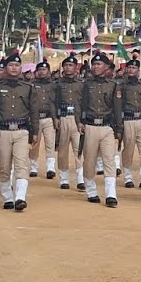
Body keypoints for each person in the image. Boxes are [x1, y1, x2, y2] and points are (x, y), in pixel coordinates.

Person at [0, 53, 37, 212]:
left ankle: (20, 197)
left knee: (22, 164)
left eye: (17, 65)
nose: (14, 68)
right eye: (10, 65)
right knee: (4, 167)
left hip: (22, 130)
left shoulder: (28, 88)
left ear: (21, 68)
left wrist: (34, 131)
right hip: (3, 131)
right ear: (5, 68)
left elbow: (34, 111)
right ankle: (8, 196)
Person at [80, 51, 121, 207]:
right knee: (89, 161)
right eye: (94, 64)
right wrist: (80, 121)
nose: (95, 67)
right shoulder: (87, 84)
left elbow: (117, 108)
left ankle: (111, 194)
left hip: (107, 127)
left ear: (106, 67)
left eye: (99, 64)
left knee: (109, 160)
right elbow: (82, 104)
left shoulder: (113, 85)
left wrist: (118, 129)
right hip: (90, 126)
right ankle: (91, 190)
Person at [117, 57, 141, 191]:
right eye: (129, 68)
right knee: (128, 149)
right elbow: (119, 105)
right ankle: (127, 178)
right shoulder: (121, 85)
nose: (131, 70)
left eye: (134, 68)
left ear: (138, 70)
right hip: (128, 120)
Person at [53, 53, 84, 191]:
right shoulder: (58, 84)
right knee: (62, 150)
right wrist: (55, 117)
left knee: (79, 149)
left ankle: (81, 179)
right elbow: (52, 102)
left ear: (76, 67)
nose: (68, 67)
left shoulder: (82, 84)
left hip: (77, 119)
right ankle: (64, 178)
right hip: (64, 117)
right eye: (66, 65)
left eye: (71, 65)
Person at [27, 61, 58, 179]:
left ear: (49, 72)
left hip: (49, 118)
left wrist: (56, 118)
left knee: (50, 143)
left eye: (44, 70)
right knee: (34, 143)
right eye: (40, 70)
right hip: (35, 118)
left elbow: (55, 102)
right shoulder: (31, 85)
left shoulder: (53, 85)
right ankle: (33, 167)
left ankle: (50, 168)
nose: (42, 72)